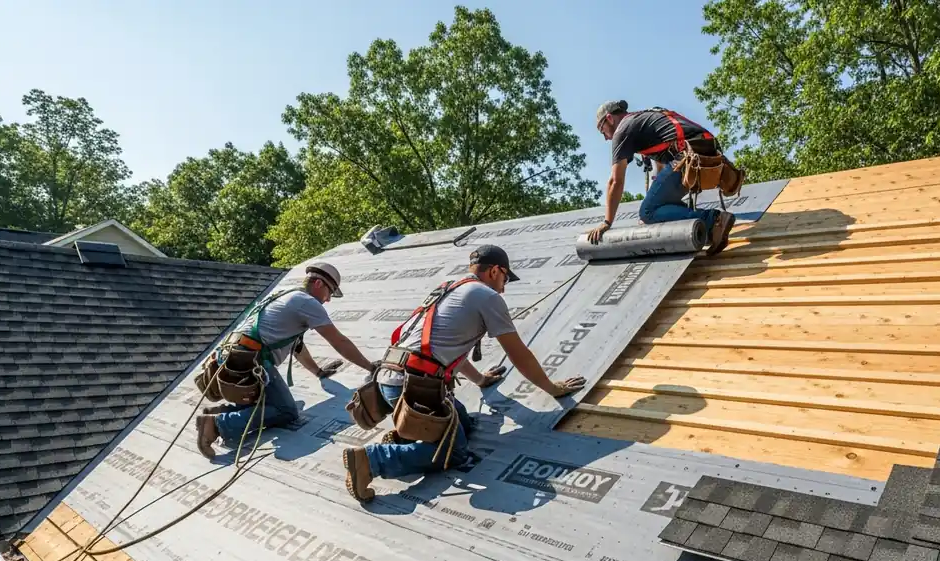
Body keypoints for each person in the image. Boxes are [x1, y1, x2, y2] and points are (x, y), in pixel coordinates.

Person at [341, 245, 587, 502]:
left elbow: (440, 350)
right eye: (505, 279)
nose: (504, 287)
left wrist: (480, 380)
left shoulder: (448, 288)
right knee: (453, 452)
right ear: (494, 271)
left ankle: (405, 437)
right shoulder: (486, 296)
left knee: (465, 424)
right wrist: (552, 388)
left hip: (392, 377)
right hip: (414, 386)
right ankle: (371, 460)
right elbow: (518, 354)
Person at [194, 262, 375, 458]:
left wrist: (319, 373)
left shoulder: (283, 294)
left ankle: (223, 412)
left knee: (272, 402)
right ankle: (217, 424)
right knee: (286, 410)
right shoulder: (307, 302)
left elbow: (297, 347)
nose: (329, 299)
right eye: (330, 292)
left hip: (232, 353)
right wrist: (370, 367)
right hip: (252, 358)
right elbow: (338, 341)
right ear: (318, 283)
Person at [587, 100, 737, 256]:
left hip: (688, 157)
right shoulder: (643, 120)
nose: (605, 137)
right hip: (705, 151)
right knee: (659, 208)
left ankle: (714, 221)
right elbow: (661, 165)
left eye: (602, 130)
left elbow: (615, 181)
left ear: (610, 119)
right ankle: (711, 230)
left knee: (647, 211)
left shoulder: (622, 130)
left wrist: (607, 222)